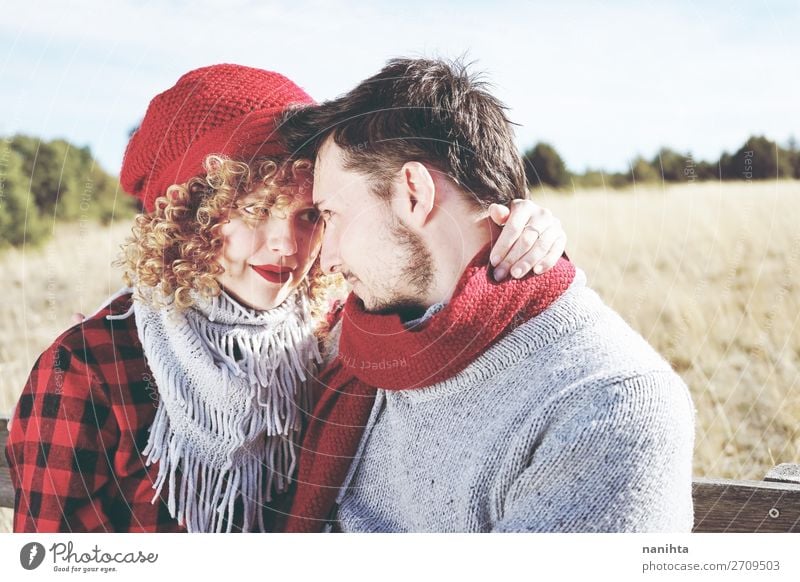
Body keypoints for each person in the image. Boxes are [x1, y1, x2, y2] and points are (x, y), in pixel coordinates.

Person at [4, 64, 566, 532]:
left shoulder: (334, 336)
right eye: (252, 209)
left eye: (308, 216)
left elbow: (448, 302)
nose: (286, 244)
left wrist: (517, 235)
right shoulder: (89, 367)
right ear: (187, 218)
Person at [278, 57, 696, 533]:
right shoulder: (359, 344)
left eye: (330, 214)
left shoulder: (608, 404)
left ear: (414, 193)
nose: (324, 257)